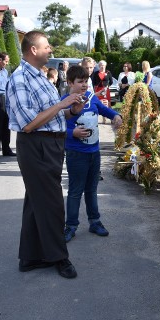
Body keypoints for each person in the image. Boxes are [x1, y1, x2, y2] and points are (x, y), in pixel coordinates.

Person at [6, 30, 85, 279]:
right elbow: (28, 124)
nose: (50, 49)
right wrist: (61, 104)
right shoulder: (19, 79)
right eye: (47, 46)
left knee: (36, 201)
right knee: (51, 202)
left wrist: (72, 111)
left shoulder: (40, 76)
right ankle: (59, 257)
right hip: (36, 145)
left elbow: (53, 116)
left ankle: (29, 257)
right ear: (33, 50)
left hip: (50, 144)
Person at [63, 65, 122, 243]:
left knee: (92, 189)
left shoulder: (91, 98)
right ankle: (71, 225)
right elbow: (56, 126)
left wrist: (116, 115)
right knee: (75, 191)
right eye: (80, 82)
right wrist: (72, 133)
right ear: (69, 83)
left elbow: (106, 111)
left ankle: (94, 222)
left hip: (94, 153)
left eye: (86, 81)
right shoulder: (65, 101)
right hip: (76, 154)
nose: (84, 85)